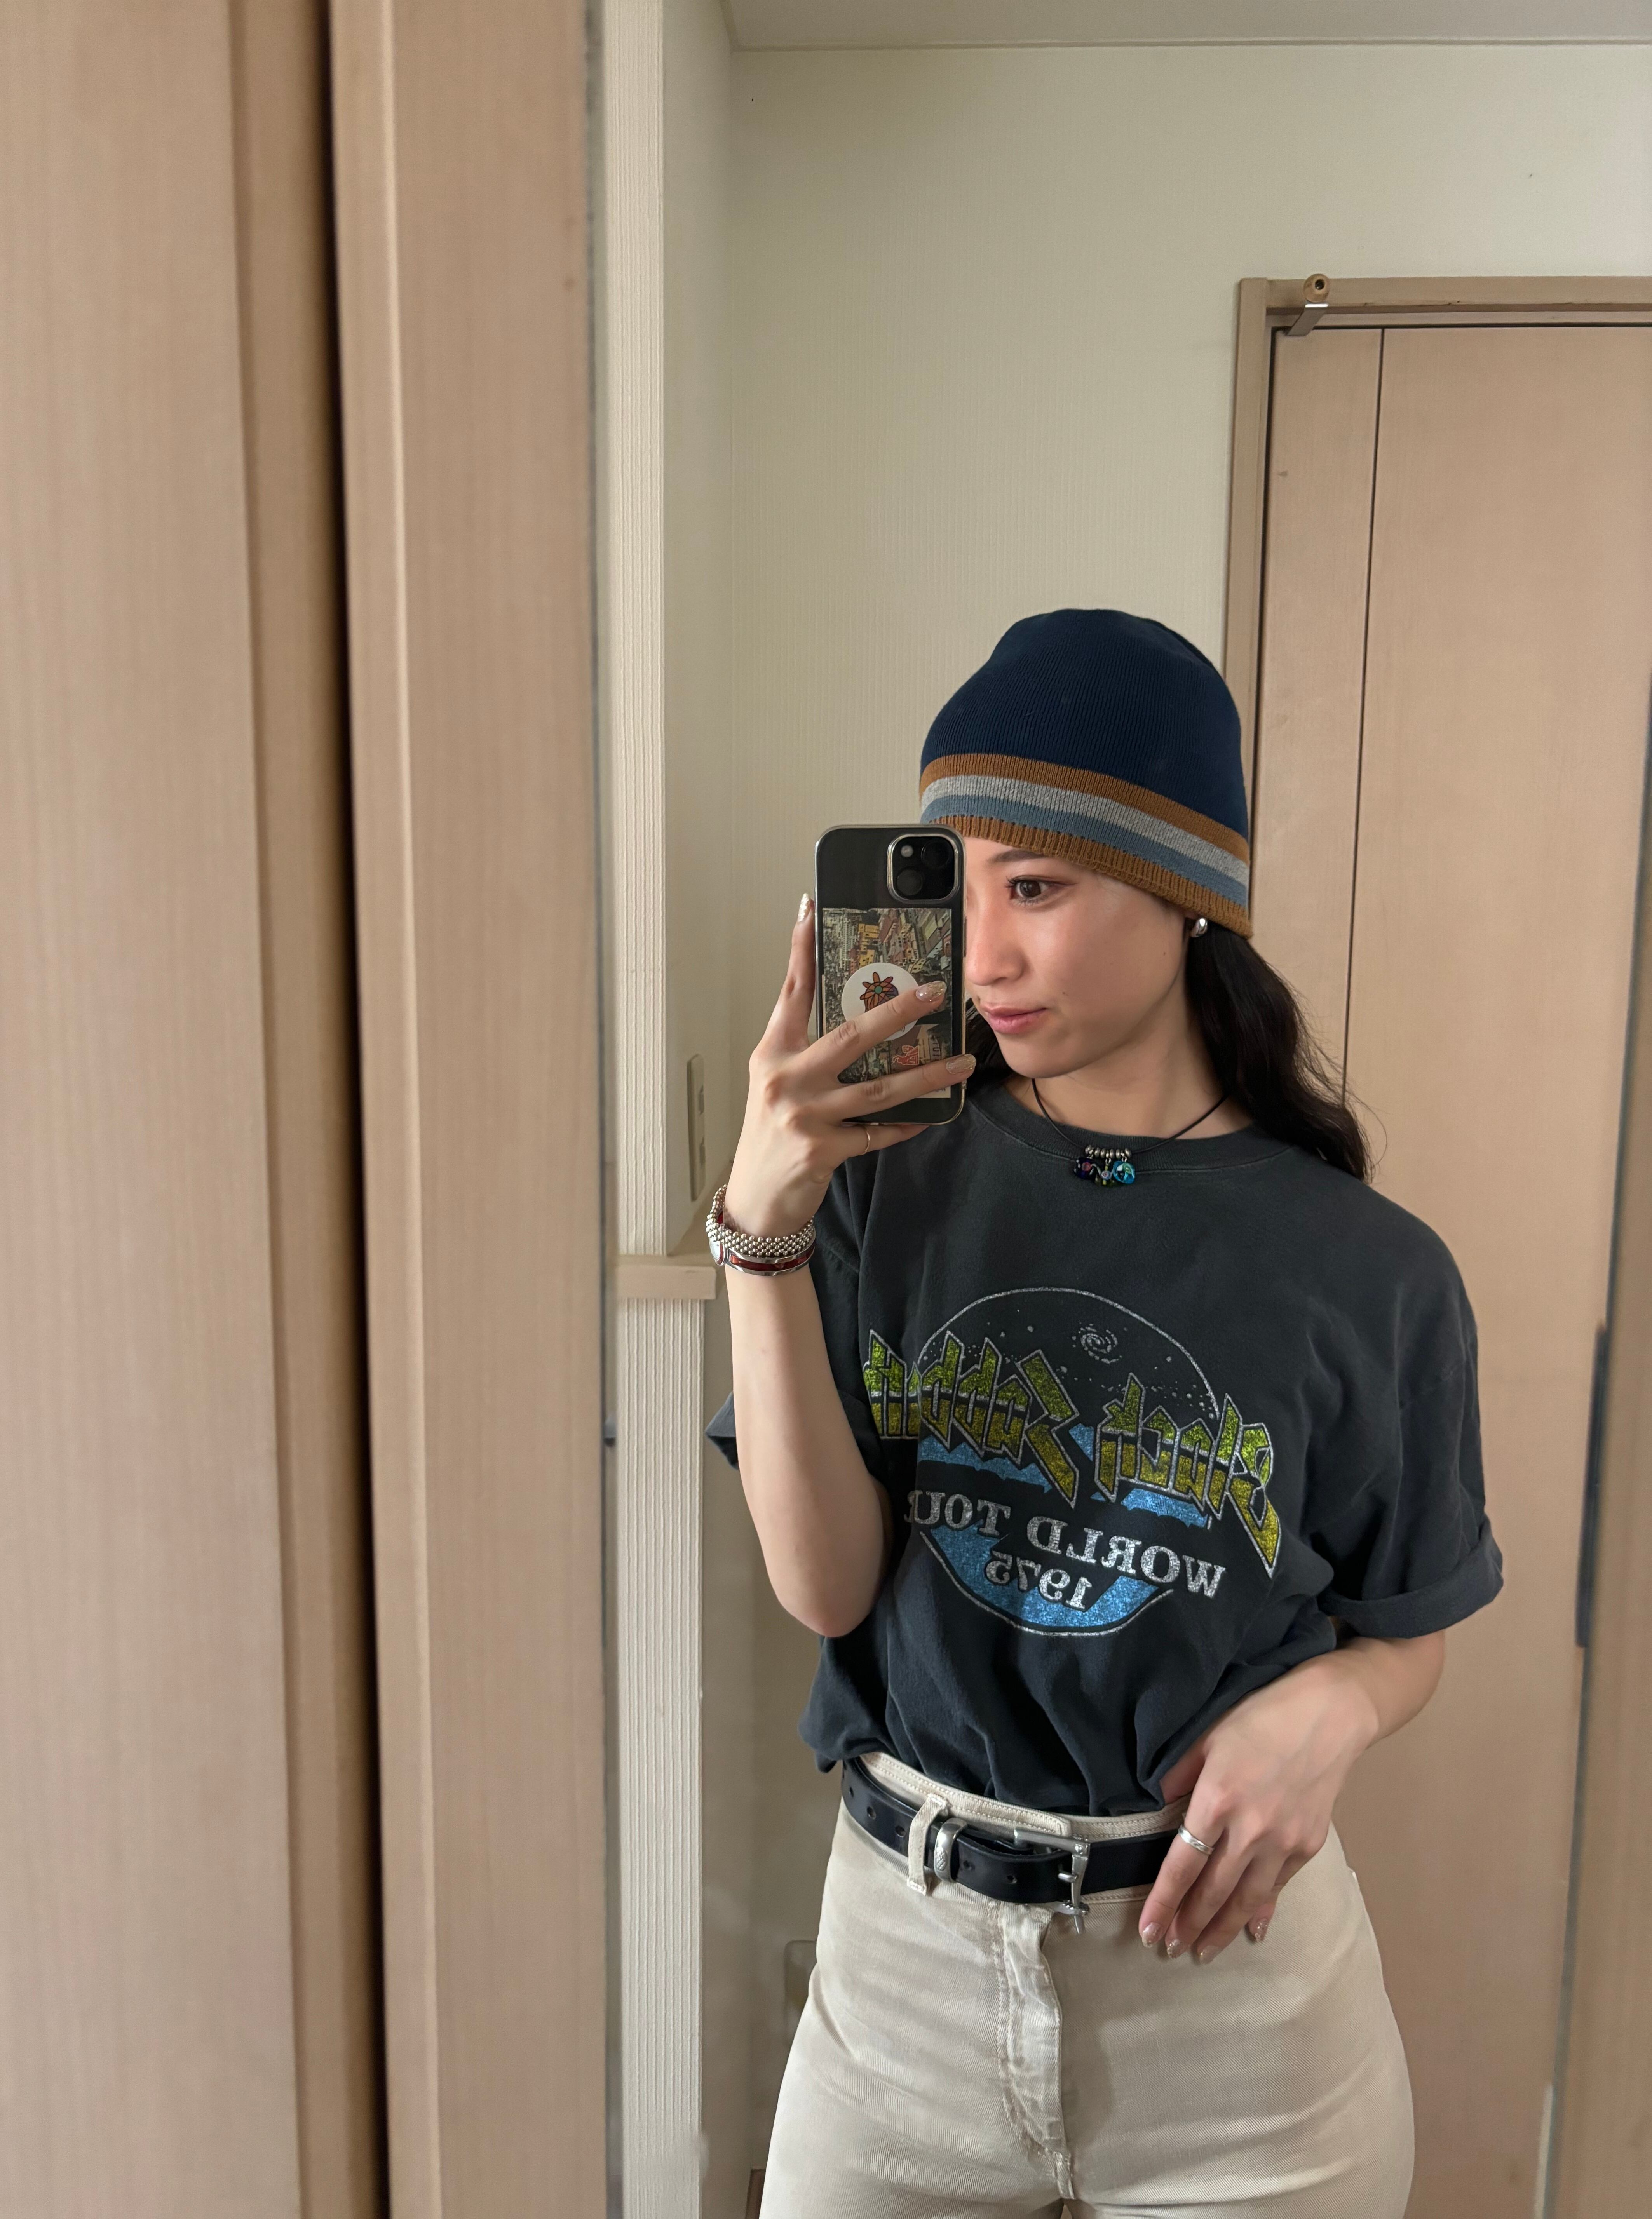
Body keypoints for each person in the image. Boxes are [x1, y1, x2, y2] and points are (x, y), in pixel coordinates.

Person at [703, 608, 1503, 2219]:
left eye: (1038, 888)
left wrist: (1336, 1711)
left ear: (1186, 891)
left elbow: (1406, 1621)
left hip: (1235, 2019)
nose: (984, 956)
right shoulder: (880, 1185)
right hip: (902, 1985)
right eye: (955, 886)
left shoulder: (1372, 1271)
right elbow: (826, 1590)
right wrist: (761, 1227)